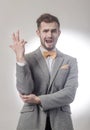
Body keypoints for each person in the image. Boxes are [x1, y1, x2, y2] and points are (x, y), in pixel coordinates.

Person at [10, 13, 78, 130]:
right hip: (31, 121)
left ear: (59, 33)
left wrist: (39, 99)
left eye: (53, 31)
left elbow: (69, 94)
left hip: (61, 122)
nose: (49, 35)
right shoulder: (27, 59)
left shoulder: (70, 61)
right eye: (45, 31)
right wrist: (20, 59)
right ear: (38, 33)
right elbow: (25, 92)